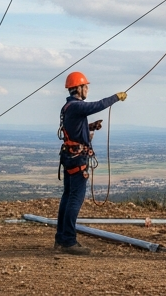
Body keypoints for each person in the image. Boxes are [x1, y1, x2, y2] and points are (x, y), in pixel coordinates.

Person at [55, 71, 127, 254]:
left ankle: (61, 239)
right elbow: (98, 105)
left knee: (67, 197)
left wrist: (89, 128)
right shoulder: (77, 106)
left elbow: (73, 129)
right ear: (78, 88)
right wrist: (116, 97)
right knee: (74, 199)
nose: (87, 89)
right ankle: (69, 241)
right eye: (85, 86)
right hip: (77, 159)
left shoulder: (68, 107)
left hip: (69, 157)